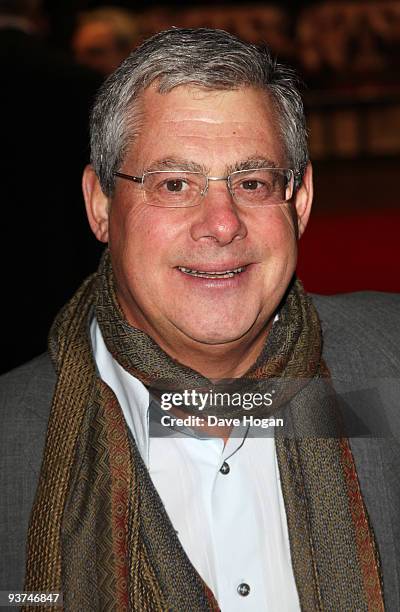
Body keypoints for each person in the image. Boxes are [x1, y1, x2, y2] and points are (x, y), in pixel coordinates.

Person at [0, 27, 399, 611]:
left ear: (302, 202)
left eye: (253, 182)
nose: (222, 222)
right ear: (101, 206)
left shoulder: (390, 367)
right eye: (175, 184)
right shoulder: (13, 443)